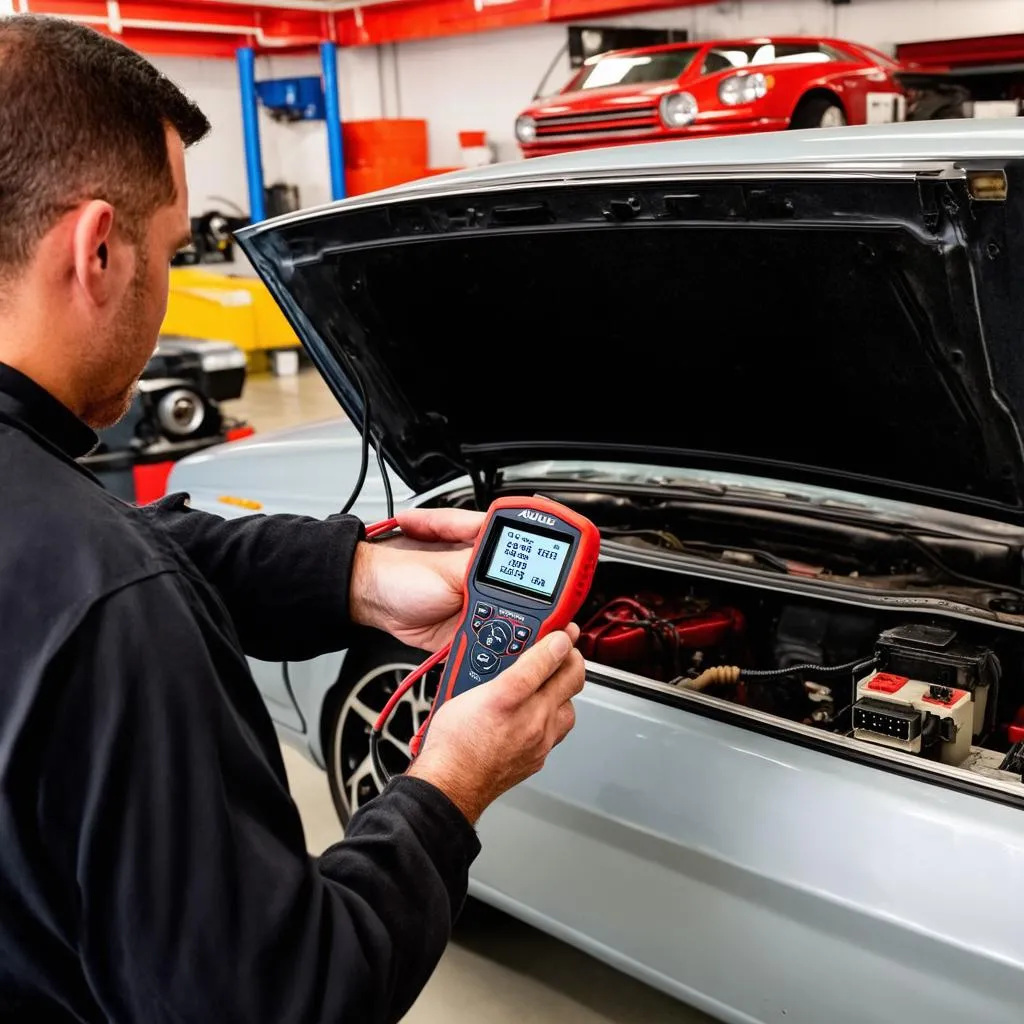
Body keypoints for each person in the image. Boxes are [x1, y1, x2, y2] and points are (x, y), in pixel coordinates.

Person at [0, 16, 586, 1023]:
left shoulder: (60, 543)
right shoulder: (108, 608)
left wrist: (352, 576)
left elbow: (92, 564)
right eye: (170, 252)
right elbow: (282, 1001)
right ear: (98, 249)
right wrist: (448, 783)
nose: (168, 289)